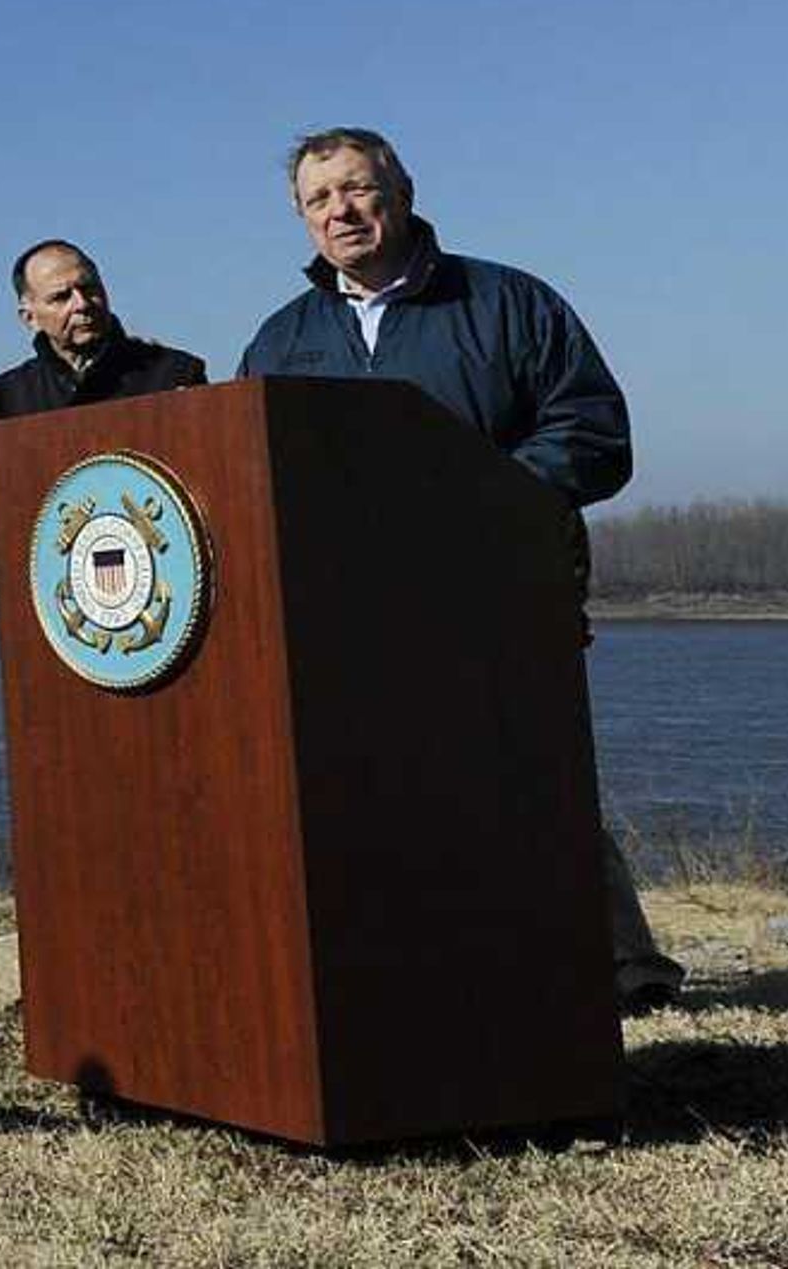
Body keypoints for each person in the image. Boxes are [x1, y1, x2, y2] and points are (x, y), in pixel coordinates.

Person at [233, 125, 682, 1011]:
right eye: (319, 200)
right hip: (347, 618)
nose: (342, 211)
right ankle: (422, 963)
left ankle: (623, 971)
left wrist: (480, 493)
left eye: (357, 189)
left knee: (534, 779)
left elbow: (595, 434)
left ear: (400, 193)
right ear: (301, 219)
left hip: (500, 593)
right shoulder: (282, 340)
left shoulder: (509, 303)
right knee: (373, 788)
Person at [0, 240, 207, 542]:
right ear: (29, 317)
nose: (81, 303)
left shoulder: (173, 376)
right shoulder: (3, 402)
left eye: (89, 288)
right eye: (61, 297)